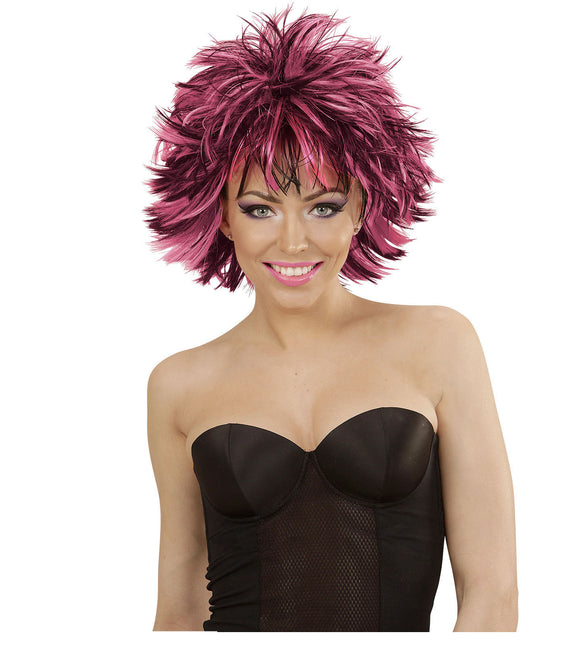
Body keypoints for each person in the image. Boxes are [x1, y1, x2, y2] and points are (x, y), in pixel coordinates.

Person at [144, 5, 518, 632]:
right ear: (221, 215)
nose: (293, 241)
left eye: (323, 206)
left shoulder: (438, 343)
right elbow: (178, 610)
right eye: (260, 209)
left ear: (362, 206)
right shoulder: (178, 384)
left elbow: (493, 593)